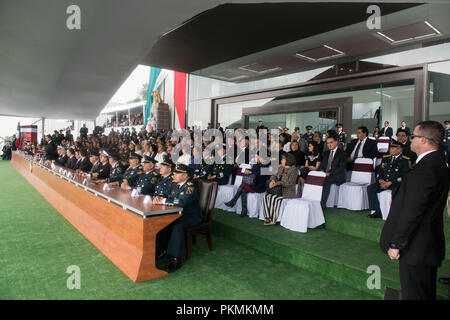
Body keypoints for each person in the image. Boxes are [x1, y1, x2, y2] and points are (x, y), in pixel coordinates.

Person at [380, 121, 450, 300]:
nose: (410, 140)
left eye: (414, 136)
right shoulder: (439, 163)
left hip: (416, 247)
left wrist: (396, 244)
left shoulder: (425, 169)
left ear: (424, 140)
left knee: (416, 294)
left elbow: (413, 211)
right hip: (427, 243)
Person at [152, 164, 202, 273]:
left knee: (177, 226)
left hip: (191, 216)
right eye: (174, 172)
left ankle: (176, 259)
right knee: (161, 222)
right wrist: (159, 198)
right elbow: (169, 196)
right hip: (178, 214)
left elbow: (183, 202)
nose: (174, 175)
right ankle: (162, 250)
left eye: (177, 173)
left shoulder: (190, 186)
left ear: (185, 176)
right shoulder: (176, 184)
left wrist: (164, 201)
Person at [367, 140, 411, 219]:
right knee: (370, 188)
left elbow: (404, 176)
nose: (390, 149)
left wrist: (390, 182)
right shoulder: (386, 158)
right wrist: (381, 181)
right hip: (384, 182)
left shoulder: (405, 160)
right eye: (390, 148)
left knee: (396, 192)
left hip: (396, 184)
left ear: (399, 149)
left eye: (393, 148)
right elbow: (380, 172)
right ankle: (377, 211)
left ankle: (394, 213)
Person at [225, 152, 269, 217]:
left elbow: (261, 176)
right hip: (253, 183)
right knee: (243, 190)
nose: (255, 158)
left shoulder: (266, 165)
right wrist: (249, 172)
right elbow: (254, 173)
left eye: (256, 156)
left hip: (259, 185)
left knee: (243, 186)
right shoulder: (256, 164)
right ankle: (243, 210)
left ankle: (234, 202)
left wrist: (250, 172)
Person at [263, 153, 298, 225]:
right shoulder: (281, 167)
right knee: (266, 196)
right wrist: (272, 181)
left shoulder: (293, 170)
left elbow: (289, 183)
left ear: (288, 160)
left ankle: (273, 219)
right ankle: (267, 217)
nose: (281, 160)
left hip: (287, 192)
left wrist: (277, 183)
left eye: (283, 159)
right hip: (277, 190)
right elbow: (274, 175)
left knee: (275, 199)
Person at [319, 135, 347, 209]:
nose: (329, 145)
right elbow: (322, 165)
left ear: (336, 142)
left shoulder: (342, 153)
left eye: (331, 142)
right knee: (316, 179)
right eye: (327, 143)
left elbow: (341, 168)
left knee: (325, 180)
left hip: (338, 176)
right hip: (326, 174)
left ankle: (322, 204)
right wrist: (321, 172)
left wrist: (329, 173)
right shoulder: (326, 153)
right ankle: (314, 202)